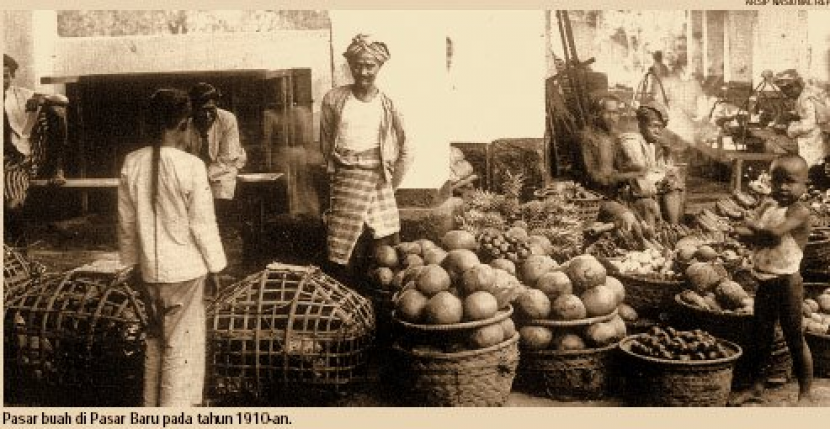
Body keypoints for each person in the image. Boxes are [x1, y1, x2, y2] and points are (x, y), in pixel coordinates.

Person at [118, 88, 227, 407]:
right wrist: (217, 267)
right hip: (185, 274)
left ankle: (150, 411)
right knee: (183, 352)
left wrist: (128, 265)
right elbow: (203, 225)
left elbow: (125, 225)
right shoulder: (191, 166)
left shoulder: (132, 162)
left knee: (155, 345)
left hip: (150, 273)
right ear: (184, 123)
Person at [320, 34, 412, 281]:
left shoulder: (388, 103)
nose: (363, 72)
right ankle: (349, 303)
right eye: (357, 65)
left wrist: (391, 185)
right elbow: (326, 144)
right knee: (344, 251)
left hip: (379, 179)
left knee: (384, 248)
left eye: (370, 65)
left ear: (380, 67)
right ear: (350, 66)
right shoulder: (334, 99)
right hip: (346, 180)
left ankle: (382, 303)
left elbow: (407, 147)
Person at [732, 154, 814, 406]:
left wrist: (752, 229)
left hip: (788, 282)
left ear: (805, 185)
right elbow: (746, 233)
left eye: (790, 182)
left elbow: (775, 235)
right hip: (765, 280)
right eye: (777, 181)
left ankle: (806, 394)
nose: (782, 187)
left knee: (794, 338)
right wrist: (753, 230)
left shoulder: (799, 211)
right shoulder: (768, 206)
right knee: (762, 336)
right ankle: (757, 386)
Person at [4, 53, 69, 246]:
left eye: (5, 75)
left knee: (55, 111)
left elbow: (63, 100)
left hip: (22, 159)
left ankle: (57, 168)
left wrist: (43, 100)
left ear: (12, 76)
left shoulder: (21, 94)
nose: (2, 80)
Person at [577, 93, 646, 240]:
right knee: (628, 218)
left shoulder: (615, 137)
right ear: (597, 114)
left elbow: (621, 166)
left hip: (615, 196)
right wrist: (627, 175)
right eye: (608, 112)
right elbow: (594, 177)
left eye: (615, 113)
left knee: (649, 206)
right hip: (595, 200)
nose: (613, 117)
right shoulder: (587, 138)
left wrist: (637, 168)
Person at [184, 82, 247, 229]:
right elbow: (181, 154)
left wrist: (204, 176)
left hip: (223, 167)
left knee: (222, 189)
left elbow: (228, 156)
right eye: (202, 110)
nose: (207, 115)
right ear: (193, 109)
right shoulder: (185, 122)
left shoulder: (227, 119)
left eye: (211, 110)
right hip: (192, 170)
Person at [617, 102, 684, 225]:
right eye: (654, 126)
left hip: (643, 185)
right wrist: (664, 174)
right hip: (629, 189)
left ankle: (674, 227)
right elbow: (640, 170)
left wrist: (667, 153)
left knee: (674, 180)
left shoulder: (649, 144)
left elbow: (655, 170)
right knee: (672, 178)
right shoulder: (631, 141)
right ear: (641, 125)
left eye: (660, 127)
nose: (658, 131)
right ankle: (674, 227)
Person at [774, 69, 829, 172]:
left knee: (774, 144)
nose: (786, 94)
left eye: (787, 91)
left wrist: (788, 129)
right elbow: (806, 115)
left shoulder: (807, 98)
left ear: (795, 86)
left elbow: (809, 125)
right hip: (812, 135)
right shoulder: (803, 95)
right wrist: (792, 116)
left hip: (813, 139)